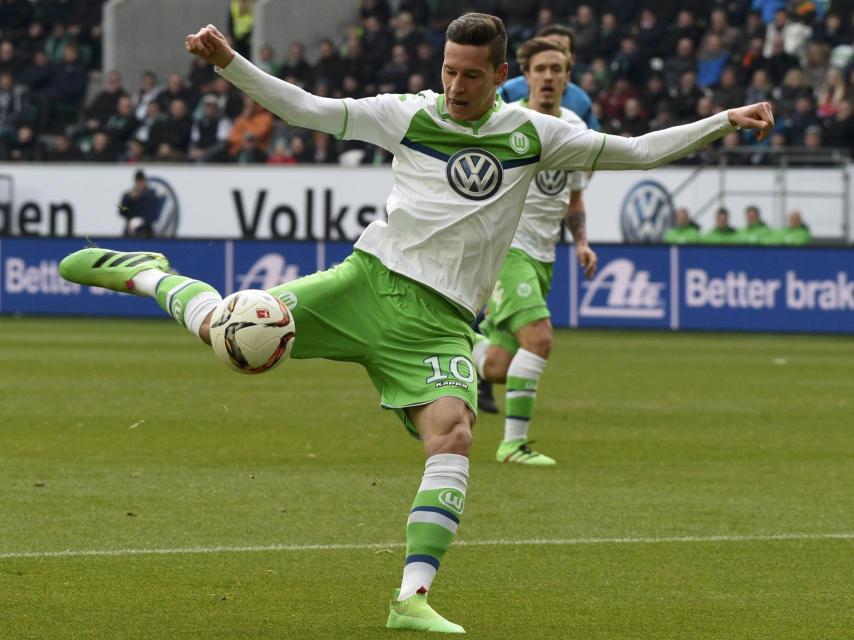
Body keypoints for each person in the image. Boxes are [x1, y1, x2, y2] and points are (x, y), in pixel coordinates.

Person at [59, 15, 773, 634]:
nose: (456, 86)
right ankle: (144, 271)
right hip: (365, 283)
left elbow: (640, 149)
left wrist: (724, 121)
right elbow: (306, 107)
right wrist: (231, 64)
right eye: (448, 71)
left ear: (499, 75)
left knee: (455, 432)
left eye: (470, 75)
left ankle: (411, 598)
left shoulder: (535, 134)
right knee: (232, 339)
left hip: (439, 325)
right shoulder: (408, 114)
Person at [471, 37, 597, 466]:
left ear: (567, 76)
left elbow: (573, 199)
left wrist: (581, 242)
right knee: (540, 339)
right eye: (539, 69)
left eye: (556, 69)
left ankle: (454, 343)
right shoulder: (507, 121)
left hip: (544, 255)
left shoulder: (577, 129)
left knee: (497, 368)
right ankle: (513, 446)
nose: (547, 77)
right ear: (525, 75)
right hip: (506, 250)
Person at [498, 24, 600, 130]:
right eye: (540, 68)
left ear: (571, 60)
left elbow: (594, 136)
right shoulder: (509, 91)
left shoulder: (580, 102)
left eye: (559, 48)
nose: (548, 77)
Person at [119, 169, 161, 237]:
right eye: (138, 181)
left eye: (141, 181)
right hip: (130, 232)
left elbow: (153, 214)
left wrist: (141, 222)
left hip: (146, 232)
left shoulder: (151, 196)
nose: (139, 183)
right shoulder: (128, 195)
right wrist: (130, 199)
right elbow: (121, 211)